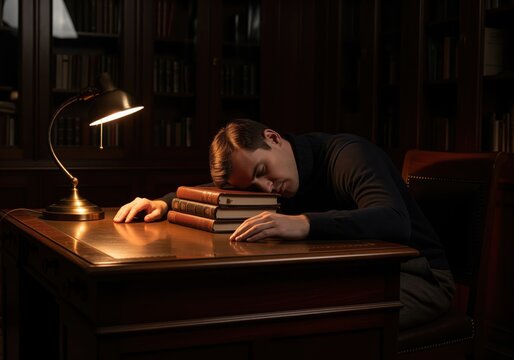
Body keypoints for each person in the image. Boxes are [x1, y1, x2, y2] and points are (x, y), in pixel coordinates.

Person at [114, 119, 455, 330]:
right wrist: (163, 201)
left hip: (418, 277)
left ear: (273, 138)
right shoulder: (268, 175)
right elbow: (213, 191)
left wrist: (302, 224)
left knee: (309, 326)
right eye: (252, 187)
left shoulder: (349, 154)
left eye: (262, 172)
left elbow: (394, 220)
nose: (265, 189)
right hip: (358, 274)